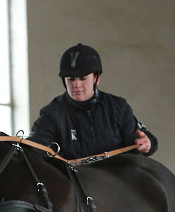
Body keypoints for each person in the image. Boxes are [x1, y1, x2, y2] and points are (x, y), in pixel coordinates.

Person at [29, 43, 157, 161]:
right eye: (71, 79)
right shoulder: (51, 114)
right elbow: (35, 147)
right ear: (64, 80)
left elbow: (140, 138)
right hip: (74, 182)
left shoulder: (118, 107)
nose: (76, 85)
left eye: (83, 78)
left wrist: (148, 144)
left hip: (117, 179)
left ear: (96, 78)